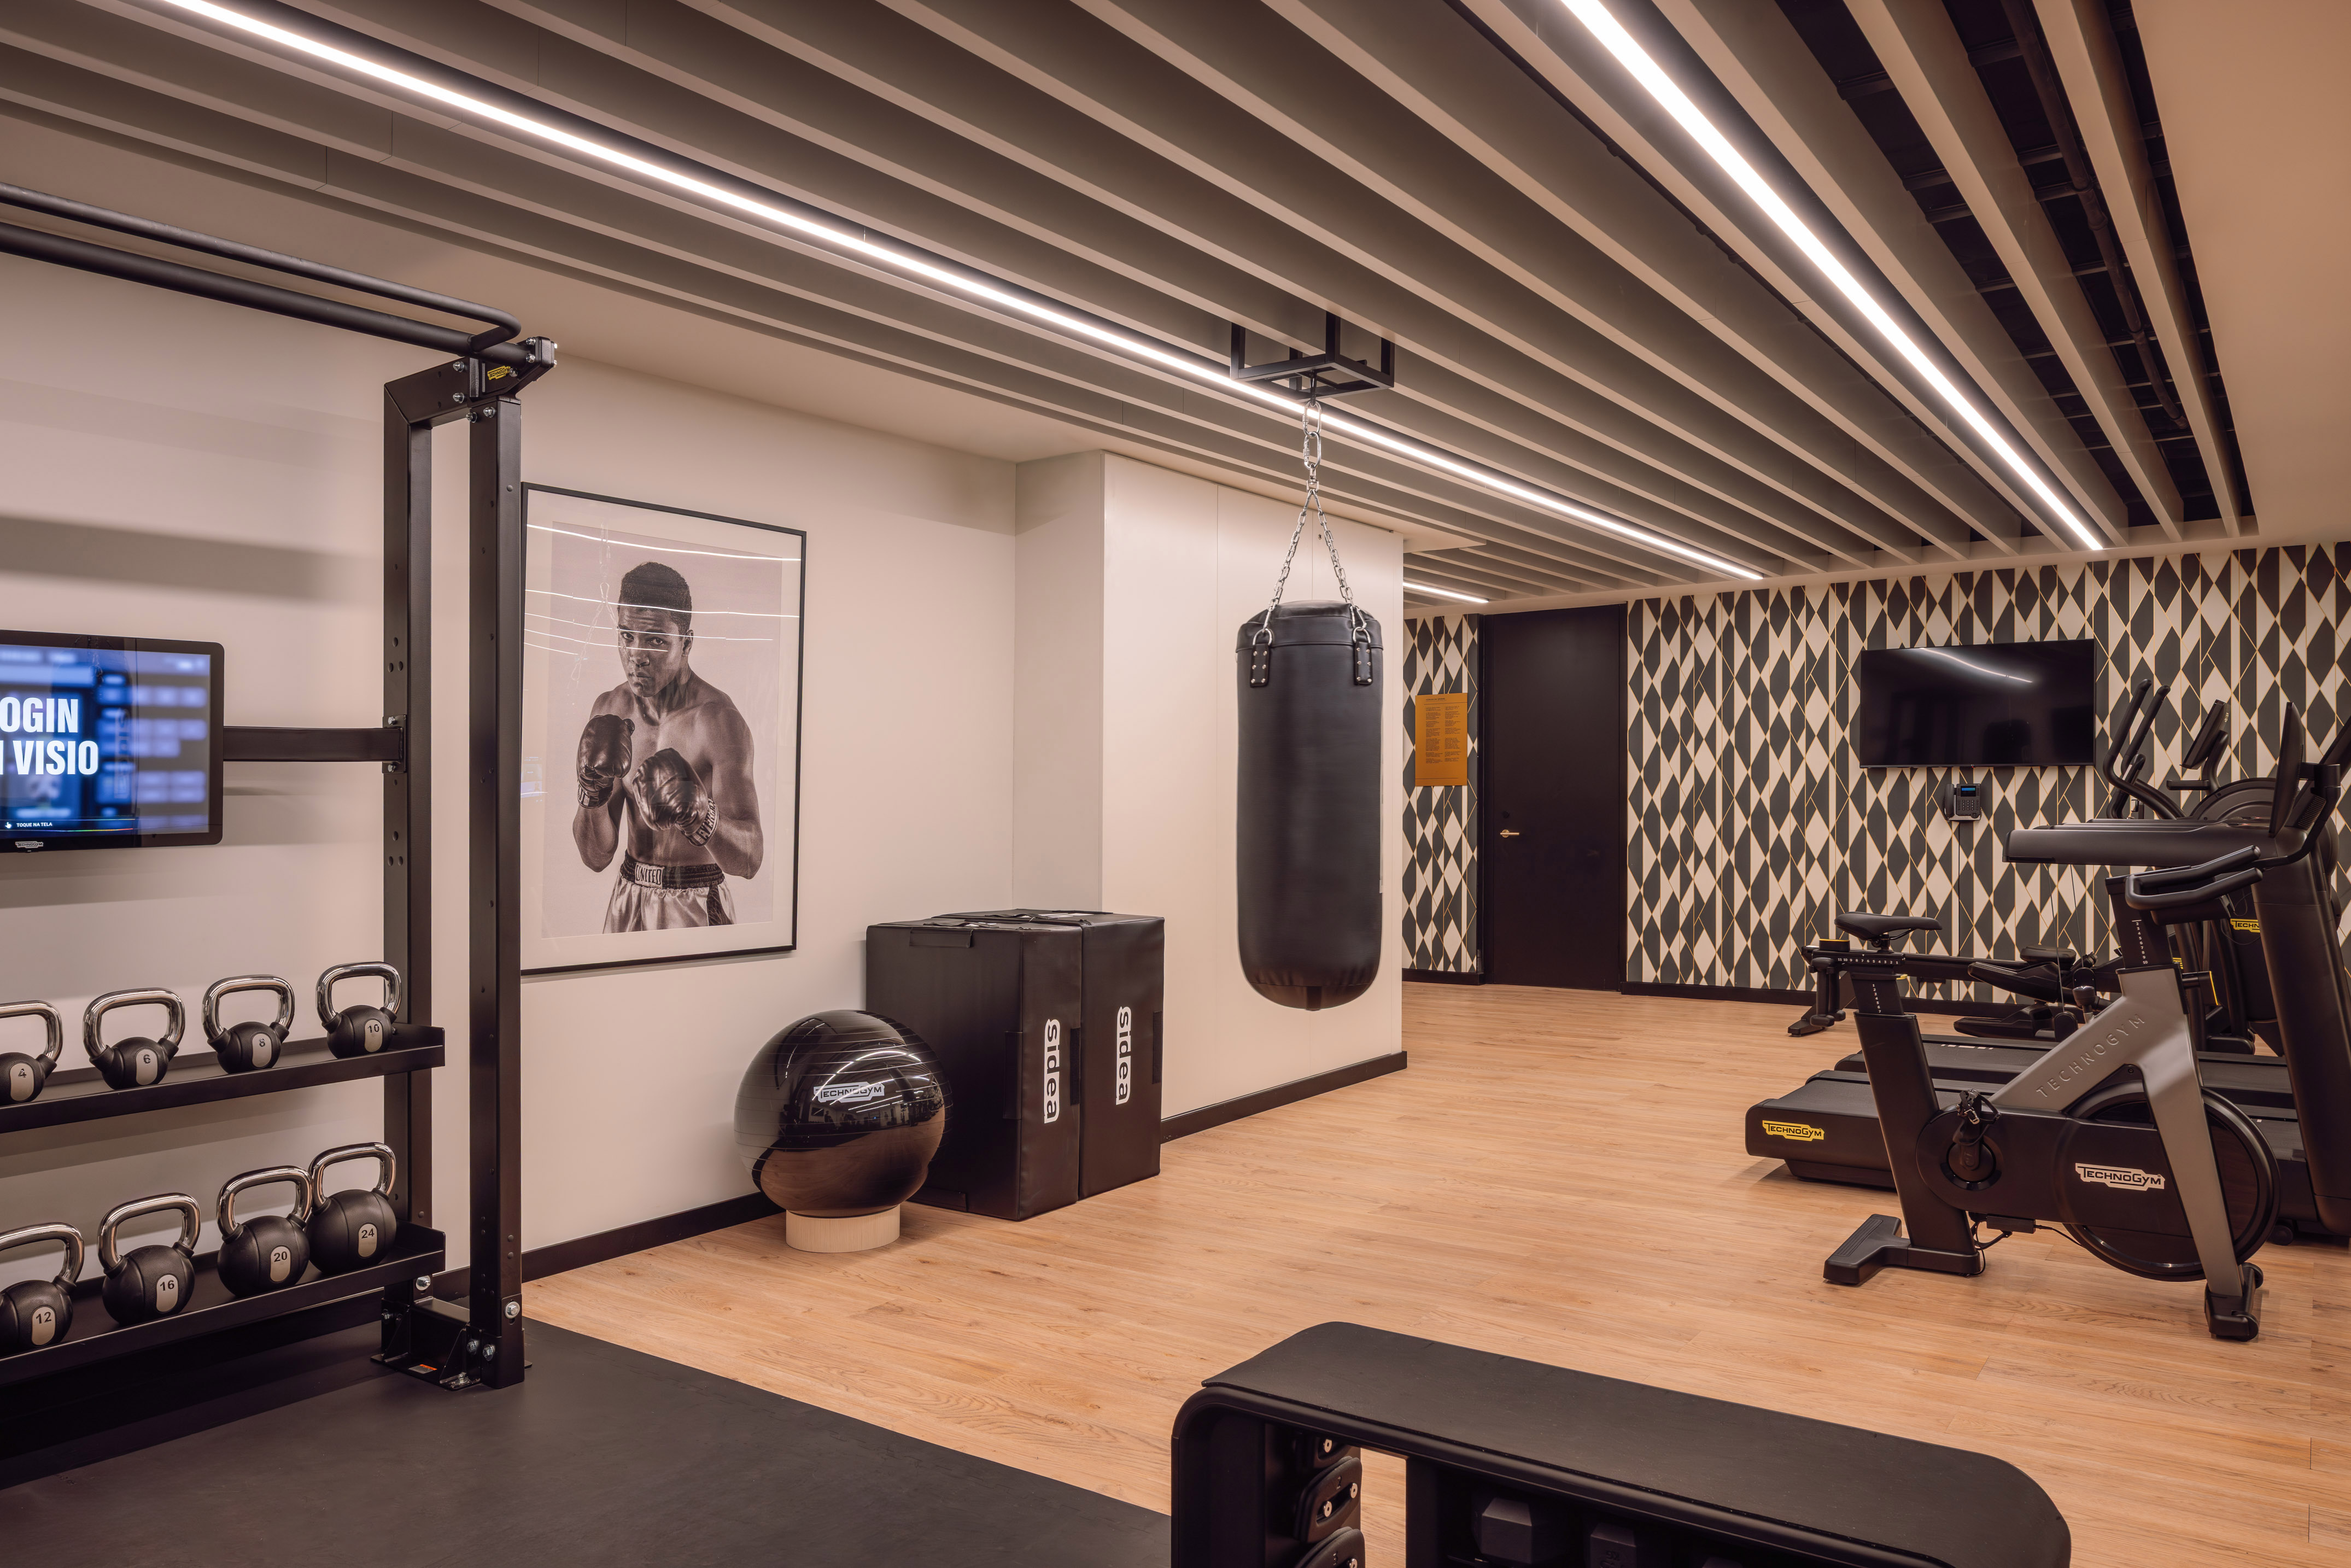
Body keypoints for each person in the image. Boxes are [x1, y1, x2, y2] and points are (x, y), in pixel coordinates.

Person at [572, 560, 762, 929]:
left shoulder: (719, 722)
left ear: (686, 643)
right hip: (628, 894)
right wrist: (591, 794)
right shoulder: (609, 709)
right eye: (627, 636)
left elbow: (750, 859)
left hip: (697, 901)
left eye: (656, 641)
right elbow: (595, 857)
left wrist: (701, 816)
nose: (636, 656)